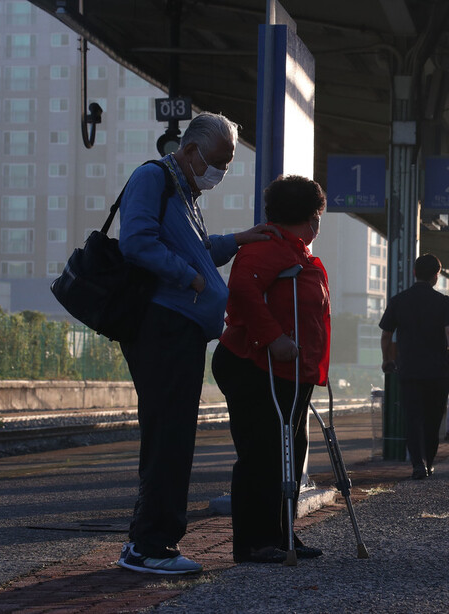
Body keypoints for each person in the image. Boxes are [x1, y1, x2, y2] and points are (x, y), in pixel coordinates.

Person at [117, 112, 278, 574]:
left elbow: (199, 249)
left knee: (176, 435)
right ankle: (149, 544)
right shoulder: (153, 178)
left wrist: (239, 240)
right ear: (189, 151)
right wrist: (189, 278)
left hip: (183, 330)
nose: (220, 172)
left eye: (226, 163)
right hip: (162, 326)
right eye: (217, 161)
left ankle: (155, 539)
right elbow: (137, 242)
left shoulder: (184, 191)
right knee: (168, 436)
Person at [212, 175, 330, 564]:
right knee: (262, 454)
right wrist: (274, 337)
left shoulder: (295, 251)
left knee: (290, 452)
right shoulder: (268, 248)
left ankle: (282, 536)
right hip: (255, 365)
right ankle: (254, 543)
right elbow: (243, 291)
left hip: (289, 373)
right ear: (314, 217)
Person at [379, 254, 449, 480]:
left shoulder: (399, 300)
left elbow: (386, 334)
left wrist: (386, 359)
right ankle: (430, 462)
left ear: (414, 273)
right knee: (433, 419)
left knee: (413, 417)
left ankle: (418, 464)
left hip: (409, 369)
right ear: (436, 276)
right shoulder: (444, 301)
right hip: (438, 371)